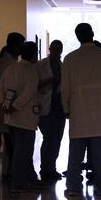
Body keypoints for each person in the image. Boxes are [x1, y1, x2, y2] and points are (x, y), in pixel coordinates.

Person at [61, 23, 101, 197]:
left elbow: (65, 87)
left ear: (77, 37)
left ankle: (73, 186)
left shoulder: (70, 59)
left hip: (77, 110)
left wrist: (66, 108)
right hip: (100, 110)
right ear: (92, 33)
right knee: (100, 151)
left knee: (75, 152)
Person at [0, 41, 41, 193]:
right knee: (23, 152)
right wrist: (15, 106)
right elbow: (28, 93)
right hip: (25, 118)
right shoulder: (31, 71)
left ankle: (27, 179)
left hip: (11, 118)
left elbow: (0, 87)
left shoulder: (11, 68)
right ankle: (19, 182)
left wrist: (4, 104)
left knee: (18, 150)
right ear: (34, 54)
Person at [0, 32, 25, 180]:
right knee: (11, 145)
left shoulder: (10, 63)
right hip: (9, 110)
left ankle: (11, 173)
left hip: (9, 110)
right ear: (14, 45)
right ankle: (12, 175)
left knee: (11, 145)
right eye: (21, 45)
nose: (22, 48)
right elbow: (8, 89)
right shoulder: (7, 65)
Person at [36, 40, 65, 182]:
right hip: (46, 107)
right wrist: (46, 82)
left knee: (57, 139)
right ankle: (45, 169)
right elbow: (32, 84)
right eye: (54, 49)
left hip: (59, 108)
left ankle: (51, 168)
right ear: (50, 49)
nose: (56, 52)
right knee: (48, 139)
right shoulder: (40, 65)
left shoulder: (63, 66)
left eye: (59, 50)